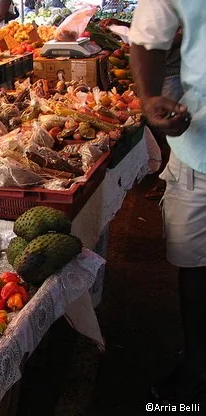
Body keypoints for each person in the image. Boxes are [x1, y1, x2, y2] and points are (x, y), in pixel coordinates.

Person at [130, 0, 206, 405]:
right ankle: (196, 364)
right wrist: (149, 98)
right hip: (200, 146)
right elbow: (148, 38)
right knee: (194, 264)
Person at [102, 18, 183, 199]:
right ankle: (165, 175)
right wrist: (123, 25)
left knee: (170, 131)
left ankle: (169, 182)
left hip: (174, 75)